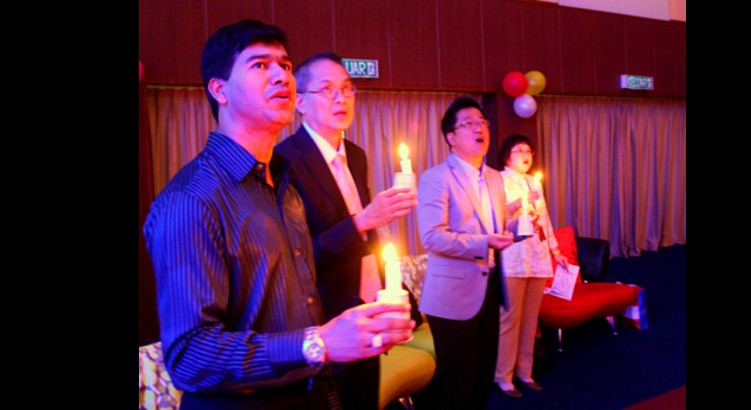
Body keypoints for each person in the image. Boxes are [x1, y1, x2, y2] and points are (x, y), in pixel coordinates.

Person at [142, 20, 414, 410]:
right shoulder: (191, 199)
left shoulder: (282, 184)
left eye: (285, 66)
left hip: (314, 391)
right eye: (259, 65)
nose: (280, 77)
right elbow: (189, 356)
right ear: (219, 90)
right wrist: (317, 341)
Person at [273, 51, 417, 410]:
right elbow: (298, 258)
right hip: (326, 318)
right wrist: (364, 220)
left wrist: (390, 293)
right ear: (300, 102)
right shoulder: (284, 160)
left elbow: (369, 240)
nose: (340, 98)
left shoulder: (356, 153)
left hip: (368, 305)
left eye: (347, 89)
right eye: (327, 90)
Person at [416, 96, 517, 409]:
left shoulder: (496, 178)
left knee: (482, 375)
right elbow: (432, 237)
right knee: (456, 383)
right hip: (451, 297)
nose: (479, 128)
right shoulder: (437, 177)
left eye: (482, 122)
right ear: (451, 137)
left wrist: (519, 223)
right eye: (469, 123)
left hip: (488, 289)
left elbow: (494, 227)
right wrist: (485, 242)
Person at [493, 134, 569, 398]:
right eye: (518, 150)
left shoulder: (534, 181)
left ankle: (526, 371)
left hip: (536, 256)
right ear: (506, 156)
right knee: (510, 318)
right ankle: (503, 376)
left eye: (529, 151)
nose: (525, 155)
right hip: (513, 256)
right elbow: (495, 219)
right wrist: (517, 205)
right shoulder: (498, 180)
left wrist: (555, 250)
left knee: (530, 319)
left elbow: (544, 218)